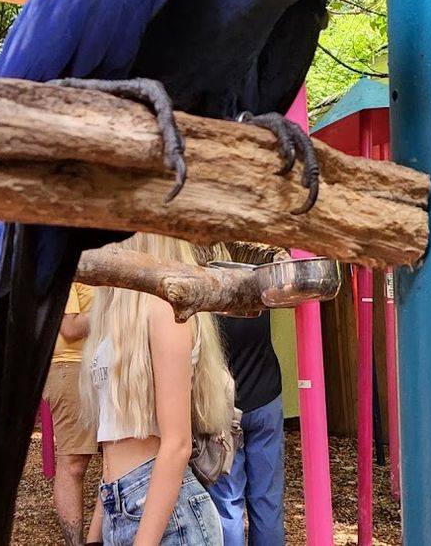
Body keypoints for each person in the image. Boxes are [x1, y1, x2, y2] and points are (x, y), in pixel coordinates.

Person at [81, 233, 234, 546]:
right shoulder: (117, 318)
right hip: (119, 502)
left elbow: (177, 444)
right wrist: (97, 530)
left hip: (166, 513)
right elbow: (114, 433)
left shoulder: (165, 310)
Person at [195, 243, 288, 546]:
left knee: (227, 504)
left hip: (224, 409)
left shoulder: (203, 303)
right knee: (268, 501)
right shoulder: (257, 284)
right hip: (266, 398)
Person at [44, 281, 103, 545]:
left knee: (116, 454)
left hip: (102, 365)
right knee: (74, 461)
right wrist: (114, 309)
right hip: (71, 367)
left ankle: (97, 538)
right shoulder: (73, 261)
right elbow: (69, 328)